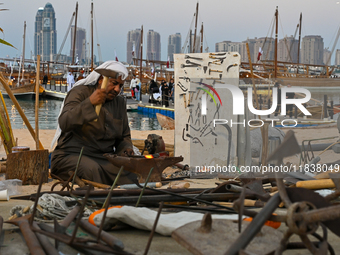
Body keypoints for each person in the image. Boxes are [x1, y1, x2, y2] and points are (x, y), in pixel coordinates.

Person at [51, 61, 136, 185]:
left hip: (104, 158)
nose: (117, 89)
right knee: (92, 170)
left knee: (134, 174)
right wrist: (90, 102)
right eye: (114, 83)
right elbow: (64, 122)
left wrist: (126, 149)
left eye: (120, 86)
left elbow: (124, 136)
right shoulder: (80, 93)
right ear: (102, 79)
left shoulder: (119, 103)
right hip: (71, 155)